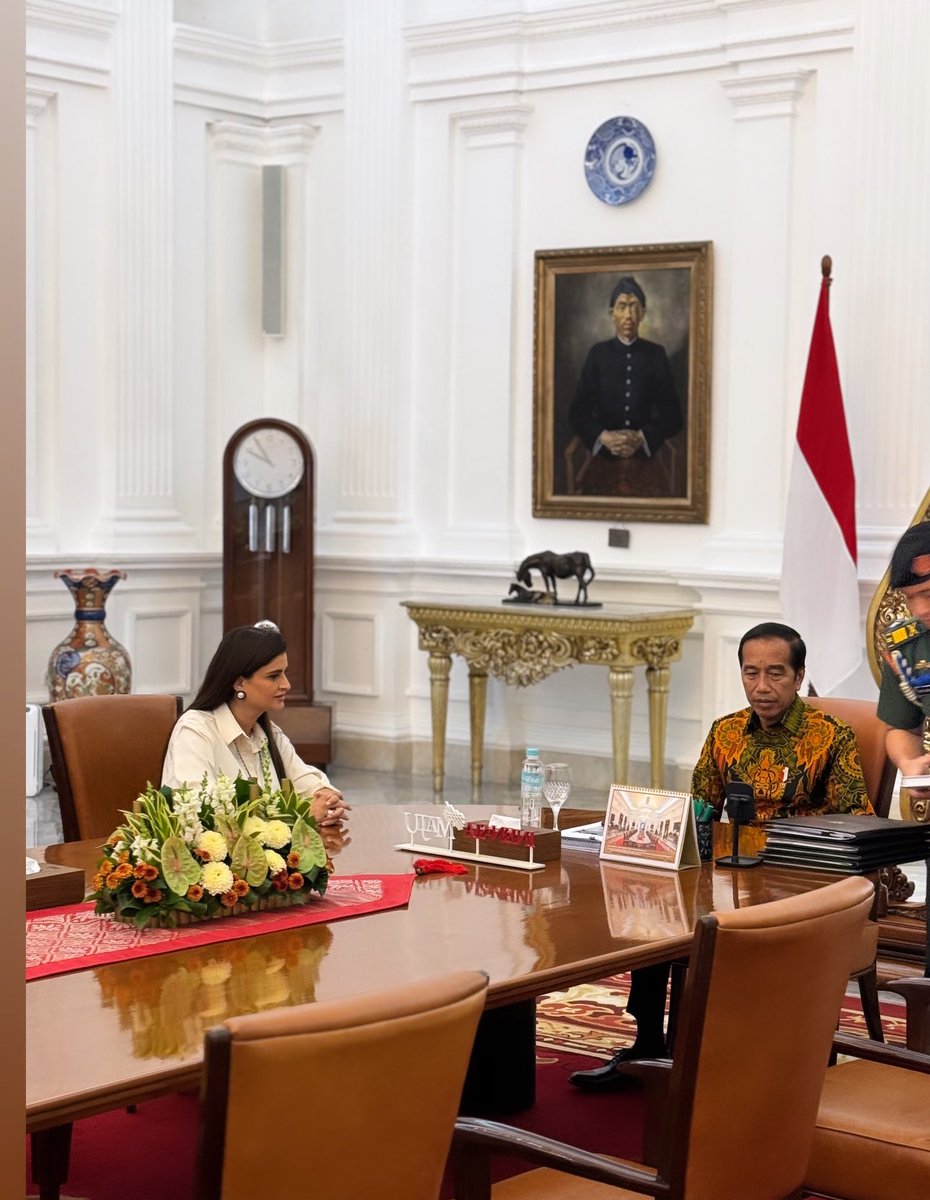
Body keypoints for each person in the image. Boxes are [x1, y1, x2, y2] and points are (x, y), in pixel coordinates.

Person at [570, 621, 872, 1092]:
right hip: (733, 874)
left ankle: (755, 1062)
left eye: (776, 673)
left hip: (799, 880)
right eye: (751, 673)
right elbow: (699, 811)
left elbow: (856, 823)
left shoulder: (831, 736)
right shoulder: (727, 732)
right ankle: (648, 1044)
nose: (762, 687)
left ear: (799, 676)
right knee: (650, 906)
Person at [162, 621, 350, 829]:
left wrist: (327, 798)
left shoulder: (269, 734)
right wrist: (301, 815)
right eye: (274, 676)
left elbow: (310, 784)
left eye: (284, 673)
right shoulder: (195, 731)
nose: (286, 684)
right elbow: (196, 816)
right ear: (239, 682)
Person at [568, 276, 683, 497]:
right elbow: (577, 413)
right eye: (622, 307)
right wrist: (604, 437)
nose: (629, 315)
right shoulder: (597, 354)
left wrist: (641, 437)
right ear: (612, 313)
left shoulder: (656, 355)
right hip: (603, 457)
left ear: (643, 313)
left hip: (644, 456)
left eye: (634, 307)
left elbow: (673, 416)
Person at [877, 521, 930, 810]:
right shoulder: (907, 646)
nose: (920, 610)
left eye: (928, 594)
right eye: (911, 598)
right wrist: (910, 764)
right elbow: (901, 729)